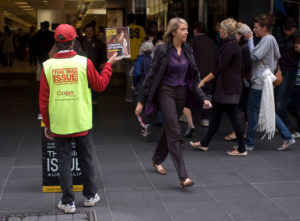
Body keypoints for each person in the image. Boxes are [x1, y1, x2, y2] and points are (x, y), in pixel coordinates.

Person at [39, 24, 121, 213]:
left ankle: (68, 202)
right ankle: (90, 196)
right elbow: (100, 86)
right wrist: (108, 65)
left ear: (56, 42)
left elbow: (43, 100)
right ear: (74, 41)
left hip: (60, 123)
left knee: (64, 162)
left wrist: (48, 124)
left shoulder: (48, 65)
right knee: (86, 159)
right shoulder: (84, 63)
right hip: (82, 121)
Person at [135, 18, 212, 187]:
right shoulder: (162, 50)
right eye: (183, 29)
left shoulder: (188, 50)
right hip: (165, 92)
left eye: (187, 29)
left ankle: (157, 159)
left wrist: (203, 98)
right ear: (173, 32)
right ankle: (183, 176)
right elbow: (151, 76)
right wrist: (141, 100)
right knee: (175, 131)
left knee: (170, 128)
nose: (187, 32)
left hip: (181, 94)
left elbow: (194, 78)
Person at [189, 18, 247, 156]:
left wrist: (203, 81)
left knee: (233, 116)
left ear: (225, 31)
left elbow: (220, 67)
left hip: (229, 87)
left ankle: (241, 149)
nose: (219, 30)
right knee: (216, 116)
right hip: (225, 87)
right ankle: (205, 143)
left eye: (221, 28)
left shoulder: (230, 46)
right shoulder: (228, 44)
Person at [244, 13, 295, 151]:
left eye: (256, 27)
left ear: (264, 28)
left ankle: (249, 143)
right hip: (266, 80)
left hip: (260, 81)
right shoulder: (272, 39)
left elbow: (254, 56)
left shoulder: (266, 39)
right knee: (267, 111)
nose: (254, 30)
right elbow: (278, 55)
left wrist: (250, 40)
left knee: (252, 111)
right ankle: (287, 136)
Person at [183, 22, 217, 137]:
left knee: (189, 93)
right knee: (207, 95)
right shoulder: (212, 41)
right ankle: (205, 118)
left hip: (196, 73)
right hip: (209, 73)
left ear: (196, 29)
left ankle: (186, 116)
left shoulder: (192, 41)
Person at [224, 23, 252, 142]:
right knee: (244, 109)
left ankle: (238, 133)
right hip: (245, 81)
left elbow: (247, 65)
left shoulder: (244, 48)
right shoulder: (244, 46)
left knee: (238, 109)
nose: (236, 35)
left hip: (243, 81)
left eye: (238, 33)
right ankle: (245, 133)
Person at [275, 17, 299, 128]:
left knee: (281, 103)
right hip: (282, 70)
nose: (287, 32)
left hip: (291, 72)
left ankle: (285, 127)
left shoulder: (297, 37)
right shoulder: (281, 35)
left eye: (289, 30)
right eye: (285, 29)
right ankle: (284, 126)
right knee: (282, 102)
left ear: (294, 28)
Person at [81, 23, 107, 104]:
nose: (89, 32)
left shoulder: (98, 42)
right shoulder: (80, 42)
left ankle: (94, 99)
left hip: (95, 65)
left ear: (94, 32)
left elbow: (103, 53)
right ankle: (84, 99)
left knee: (95, 83)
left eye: (91, 31)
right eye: (87, 31)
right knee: (84, 83)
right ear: (85, 32)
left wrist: (103, 62)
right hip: (83, 66)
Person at [124, 13, 146, 102]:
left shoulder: (125, 29)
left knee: (129, 78)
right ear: (135, 21)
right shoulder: (140, 29)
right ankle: (140, 97)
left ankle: (129, 97)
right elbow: (144, 43)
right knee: (140, 77)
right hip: (138, 57)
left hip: (128, 57)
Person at [291, 35, 300, 139]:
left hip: (298, 84)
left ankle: (298, 130)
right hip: (297, 83)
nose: (295, 49)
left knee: (298, 107)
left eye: (297, 46)